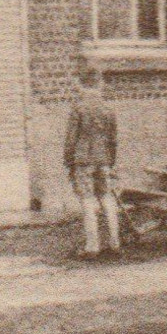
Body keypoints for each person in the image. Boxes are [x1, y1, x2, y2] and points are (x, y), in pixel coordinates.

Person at [64, 67, 121, 260]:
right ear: (100, 84)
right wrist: (111, 160)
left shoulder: (78, 108)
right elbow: (113, 139)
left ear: (80, 84)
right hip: (103, 158)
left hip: (83, 160)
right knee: (107, 198)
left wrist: (68, 161)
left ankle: (92, 246)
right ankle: (114, 243)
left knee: (88, 201)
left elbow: (71, 139)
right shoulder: (108, 109)